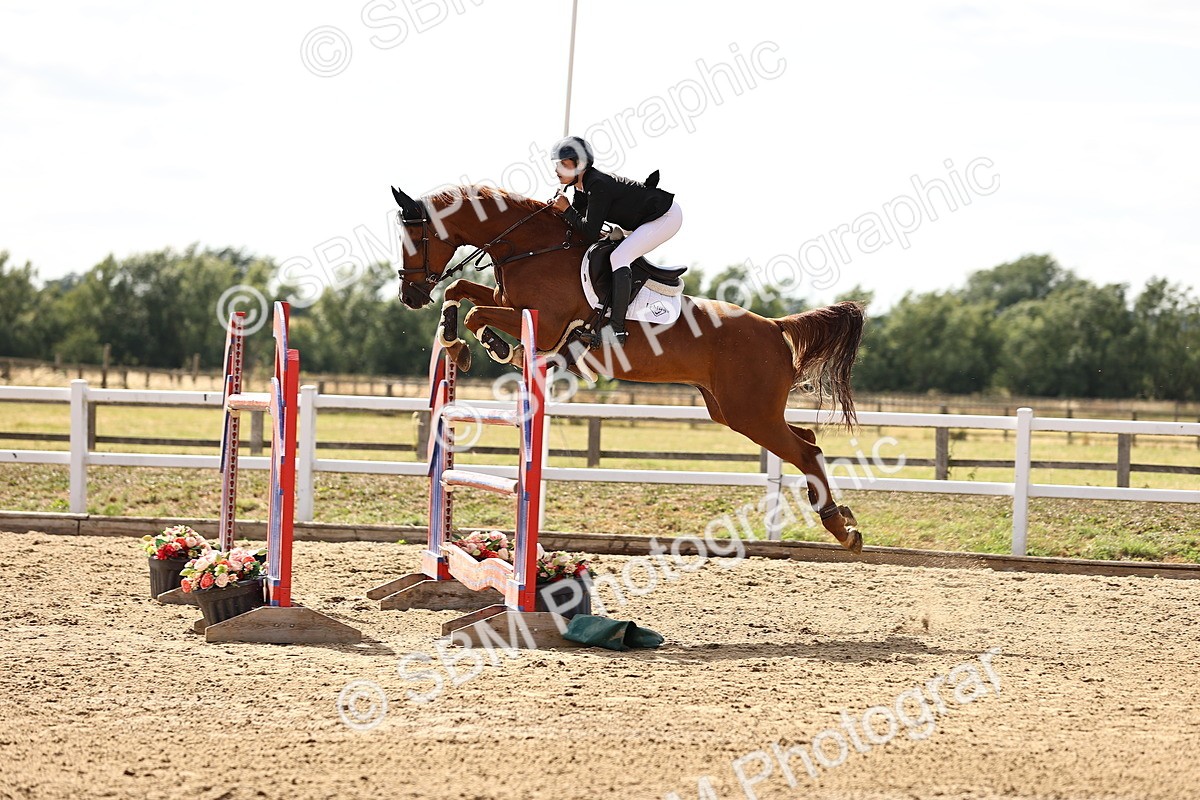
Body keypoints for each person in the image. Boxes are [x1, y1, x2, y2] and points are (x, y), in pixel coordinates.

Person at [550, 135, 682, 344]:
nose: (557, 169)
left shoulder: (597, 184)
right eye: (557, 164)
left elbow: (590, 230)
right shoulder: (581, 187)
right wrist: (562, 211)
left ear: (580, 165)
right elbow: (578, 223)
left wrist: (566, 210)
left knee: (619, 257)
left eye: (563, 164)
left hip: (665, 217)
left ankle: (617, 330)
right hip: (643, 220)